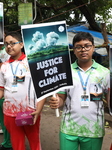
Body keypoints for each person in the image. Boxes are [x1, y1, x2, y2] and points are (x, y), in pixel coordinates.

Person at [49, 32, 110, 150]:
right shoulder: (66, 71)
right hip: (68, 128)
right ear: (74, 50)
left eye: (87, 46)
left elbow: (109, 101)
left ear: (93, 48)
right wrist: (57, 102)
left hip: (94, 129)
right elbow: (61, 98)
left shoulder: (105, 73)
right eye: (78, 47)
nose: (83, 49)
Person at [0, 31, 45, 150]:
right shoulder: (4, 66)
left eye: (12, 43)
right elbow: (1, 89)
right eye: (6, 44)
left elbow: (43, 89)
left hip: (30, 112)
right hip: (9, 113)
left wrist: (38, 110)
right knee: (17, 144)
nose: (9, 46)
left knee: (34, 142)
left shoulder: (32, 63)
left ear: (21, 44)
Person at [0, 44, 12, 150]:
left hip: (5, 96)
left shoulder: (6, 60)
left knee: (7, 121)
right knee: (3, 121)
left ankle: (8, 143)